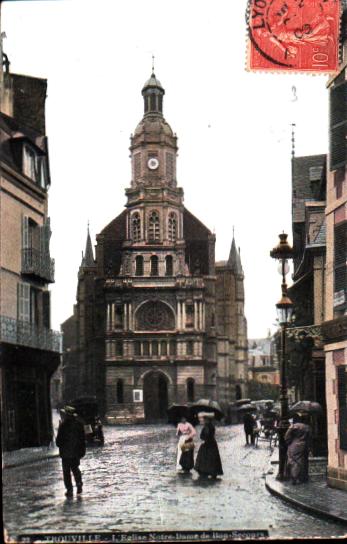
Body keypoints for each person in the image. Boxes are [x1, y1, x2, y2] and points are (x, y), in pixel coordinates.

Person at [56, 405, 86, 497]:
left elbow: (58, 441)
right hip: (75, 453)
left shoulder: (63, 426)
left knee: (66, 472)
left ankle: (69, 490)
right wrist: (81, 451)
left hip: (65, 453)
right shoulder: (79, 425)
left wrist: (61, 445)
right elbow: (82, 440)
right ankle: (79, 483)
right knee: (75, 469)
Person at [285, 413, 311, 485]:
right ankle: (302, 477)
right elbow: (309, 437)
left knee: (293, 460)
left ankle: (294, 477)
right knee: (301, 461)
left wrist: (289, 442)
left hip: (294, 444)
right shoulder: (307, 427)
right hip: (304, 444)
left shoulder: (294, 426)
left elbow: (287, 436)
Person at [194, 414, 223, 479]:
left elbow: (208, 435)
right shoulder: (206, 427)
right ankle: (205, 471)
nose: (204, 421)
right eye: (204, 420)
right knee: (206, 458)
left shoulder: (210, 427)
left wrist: (205, 435)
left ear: (208, 420)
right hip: (208, 444)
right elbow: (201, 436)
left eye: (205, 420)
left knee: (210, 458)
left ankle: (209, 471)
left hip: (210, 444)